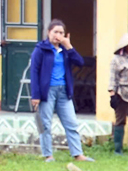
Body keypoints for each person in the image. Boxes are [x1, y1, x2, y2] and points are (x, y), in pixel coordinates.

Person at [30, 19, 93, 162]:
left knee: (71, 123)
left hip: (64, 91)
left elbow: (80, 62)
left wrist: (69, 46)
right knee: (45, 124)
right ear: (48, 33)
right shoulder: (41, 49)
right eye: (55, 32)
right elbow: (34, 72)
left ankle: (78, 154)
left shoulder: (65, 50)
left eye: (61, 33)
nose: (58, 35)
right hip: (47, 92)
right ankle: (48, 155)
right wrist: (35, 95)